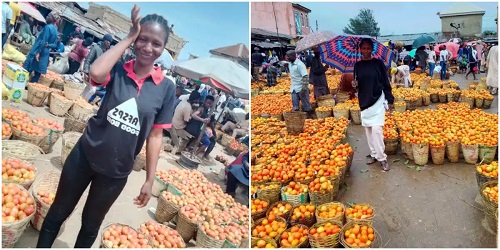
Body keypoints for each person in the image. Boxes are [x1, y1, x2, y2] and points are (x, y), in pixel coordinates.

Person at [36, 6, 175, 248]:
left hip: (116, 172)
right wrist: (131, 36)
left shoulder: (166, 88)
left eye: (156, 43)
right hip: (84, 156)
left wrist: (150, 180)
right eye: (143, 39)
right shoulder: (120, 69)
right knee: (57, 213)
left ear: (163, 49)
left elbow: (155, 136)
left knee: (90, 227)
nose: (148, 47)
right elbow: (96, 72)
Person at [352, 38, 394, 172]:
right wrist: (355, 85)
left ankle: (382, 157)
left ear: (372, 49)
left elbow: (385, 81)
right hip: (364, 100)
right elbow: (356, 87)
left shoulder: (378, 63)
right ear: (360, 50)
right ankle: (374, 154)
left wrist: (390, 98)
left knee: (376, 130)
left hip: (378, 99)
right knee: (368, 130)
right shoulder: (357, 65)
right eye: (363, 48)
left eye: (368, 48)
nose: (365, 51)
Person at [22, 12, 59, 83]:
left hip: (38, 49)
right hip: (45, 52)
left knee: (27, 67)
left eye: (48, 16)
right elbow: (55, 45)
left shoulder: (47, 27)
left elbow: (43, 41)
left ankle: (21, 83)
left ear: (52, 18)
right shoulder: (55, 30)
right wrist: (48, 45)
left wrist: (38, 52)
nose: (46, 17)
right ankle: (31, 85)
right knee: (38, 71)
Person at [286, 50, 312, 117]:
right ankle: (298, 120)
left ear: (293, 56)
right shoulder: (290, 64)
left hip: (301, 87)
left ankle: (309, 118)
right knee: (295, 107)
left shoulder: (300, 64)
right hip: (294, 88)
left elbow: (305, 76)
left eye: (288, 56)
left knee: (306, 106)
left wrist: (304, 88)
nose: (287, 57)